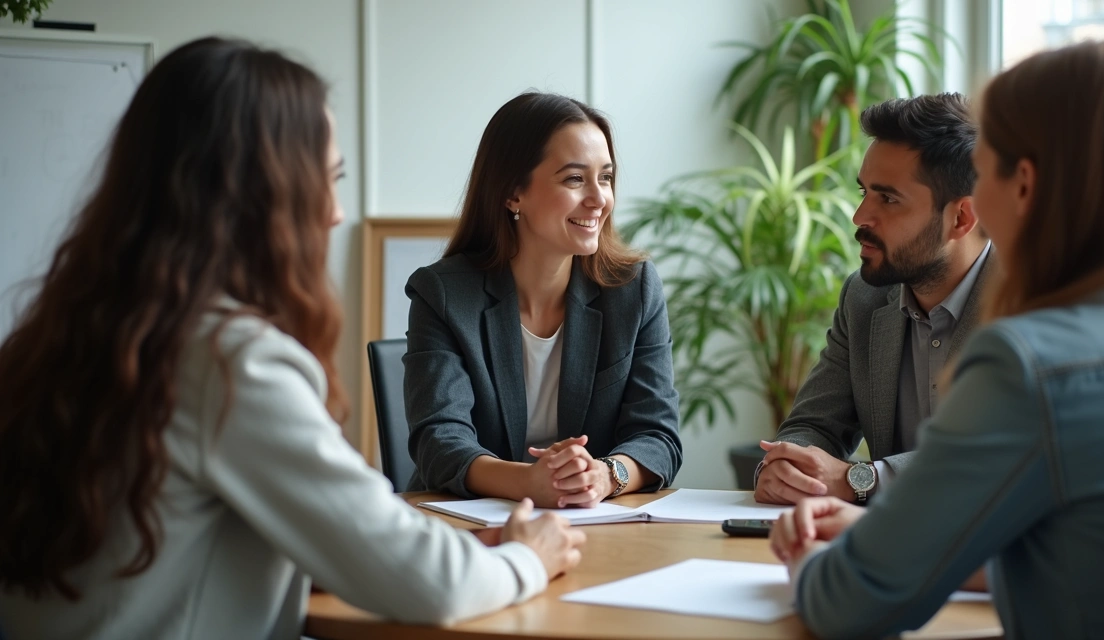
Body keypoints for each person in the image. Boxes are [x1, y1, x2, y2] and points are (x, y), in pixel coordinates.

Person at [0, 38, 585, 639]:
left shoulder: (88, 332)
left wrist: (440, 554)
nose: (335, 212)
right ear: (252, 195)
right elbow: (433, 585)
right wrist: (528, 557)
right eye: (324, 180)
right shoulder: (228, 361)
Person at [769, 40, 1104, 640]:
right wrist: (890, 536)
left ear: (1021, 185)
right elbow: (1097, 558)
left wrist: (808, 557)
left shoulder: (1035, 360)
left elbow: (850, 604)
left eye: (988, 164)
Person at [403, 92, 682, 509]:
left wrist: (605, 475)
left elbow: (658, 435)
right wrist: (530, 482)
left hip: (596, 522)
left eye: (605, 178)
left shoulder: (633, 289)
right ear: (513, 193)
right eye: (575, 179)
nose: (599, 199)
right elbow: (439, 441)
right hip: (469, 524)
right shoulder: (442, 294)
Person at [755, 93, 992, 505]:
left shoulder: (1034, 305)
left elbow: (999, 455)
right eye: (864, 191)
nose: (860, 216)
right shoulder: (865, 298)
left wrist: (860, 479)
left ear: (961, 218)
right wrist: (789, 466)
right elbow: (815, 425)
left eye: (888, 198)